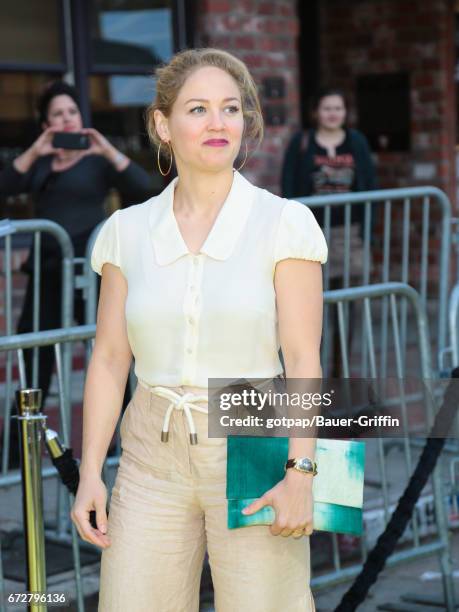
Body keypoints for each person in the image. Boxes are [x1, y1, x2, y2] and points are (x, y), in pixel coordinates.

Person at [71, 48, 327, 612]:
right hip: (149, 457)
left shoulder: (285, 223)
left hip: (256, 439)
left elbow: (304, 361)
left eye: (231, 109)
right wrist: (91, 471)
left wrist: (302, 471)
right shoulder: (126, 231)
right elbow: (111, 359)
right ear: (162, 125)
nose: (218, 123)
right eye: (198, 109)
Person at [0, 81, 154, 448]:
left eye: (72, 112)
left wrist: (106, 148)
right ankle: (18, 452)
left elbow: (144, 188)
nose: (67, 119)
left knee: (110, 353)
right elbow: (5, 186)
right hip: (48, 269)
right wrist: (36, 150)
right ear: (46, 123)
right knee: (34, 355)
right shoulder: (39, 162)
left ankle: (130, 441)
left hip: (94, 272)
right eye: (58, 114)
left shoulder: (99, 161)